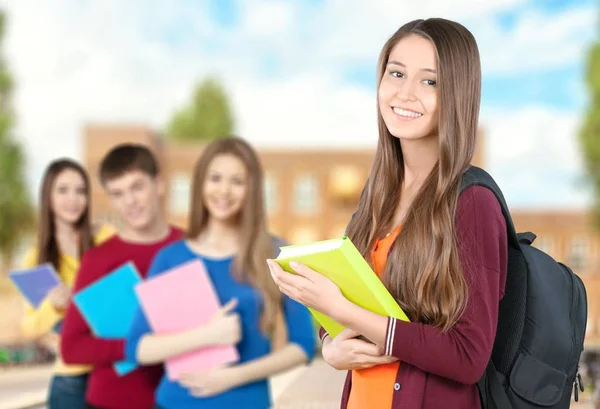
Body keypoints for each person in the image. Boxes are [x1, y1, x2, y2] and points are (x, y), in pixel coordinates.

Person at [268, 18, 507, 409]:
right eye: (396, 73)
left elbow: (469, 357)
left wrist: (340, 309)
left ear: (457, 94)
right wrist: (331, 349)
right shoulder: (375, 198)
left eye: (430, 81)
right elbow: (358, 310)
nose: (406, 93)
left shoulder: (472, 202)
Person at [125, 137, 315, 409]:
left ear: (251, 189)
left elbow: (302, 345)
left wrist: (232, 377)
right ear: (201, 183)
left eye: (237, 181)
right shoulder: (171, 257)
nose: (224, 191)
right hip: (174, 402)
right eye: (215, 178)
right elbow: (138, 348)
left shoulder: (276, 252)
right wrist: (208, 335)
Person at [60, 144, 184, 409]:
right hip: (112, 401)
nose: (129, 201)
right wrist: (139, 347)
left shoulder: (191, 246)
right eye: (118, 193)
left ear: (159, 184)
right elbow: (71, 347)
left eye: (137, 187)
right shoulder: (98, 259)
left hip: (182, 398)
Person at [20, 159, 114, 409]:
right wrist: (52, 305)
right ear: (48, 197)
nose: (73, 199)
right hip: (70, 381)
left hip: (113, 372)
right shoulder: (36, 259)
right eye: (63, 190)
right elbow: (29, 326)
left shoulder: (105, 238)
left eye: (80, 191)